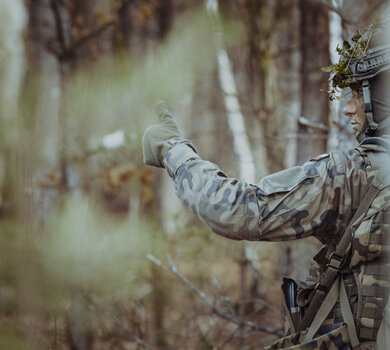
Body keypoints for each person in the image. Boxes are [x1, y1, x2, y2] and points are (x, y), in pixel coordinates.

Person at [142, 21, 390, 350]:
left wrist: (174, 151)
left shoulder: (353, 174)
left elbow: (235, 210)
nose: (347, 108)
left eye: (359, 93)